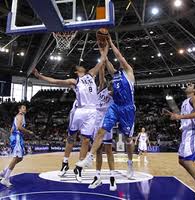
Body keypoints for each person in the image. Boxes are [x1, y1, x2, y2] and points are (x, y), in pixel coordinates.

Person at [32, 48, 108, 182]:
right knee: (71, 137)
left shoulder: (91, 74)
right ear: (76, 71)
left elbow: (102, 61)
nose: (81, 66)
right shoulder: (74, 81)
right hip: (80, 110)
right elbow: (55, 81)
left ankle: (79, 167)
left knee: (85, 140)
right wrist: (39, 77)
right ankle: (65, 163)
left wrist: (105, 47)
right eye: (79, 67)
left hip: (92, 111)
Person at [76, 35, 136, 179]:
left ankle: (129, 164)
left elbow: (119, 56)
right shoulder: (115, 74)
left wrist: (110, 42)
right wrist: (102, 47)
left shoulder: (128, 71)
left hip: (127, 108)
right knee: (101, 131)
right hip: (115, 107)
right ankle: (89, 158)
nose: (120, 61)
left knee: (128, 139)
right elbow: (105, 61)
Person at [88, 61, 116, 191]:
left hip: (107, 121)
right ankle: (97, 176)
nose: (108, 84)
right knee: (98, 150)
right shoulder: (101, 89)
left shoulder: (116, 95)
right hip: (96, 122)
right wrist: (102, 63)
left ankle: (112, 178)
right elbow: (101, 76)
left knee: (108, 150)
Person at [0, 104, 33, 187]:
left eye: (25, 108)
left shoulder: (19, 116)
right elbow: (18, 127)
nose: (25, 109)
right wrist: (28, 132)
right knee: (16, 158)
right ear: (19, 109)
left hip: (17, 137)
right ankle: (5, 179)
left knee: (20, 158)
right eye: (23, 108)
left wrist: (12, 138)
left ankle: (4, 172)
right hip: (17, 137)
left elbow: (12, 129)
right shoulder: (20, 116)